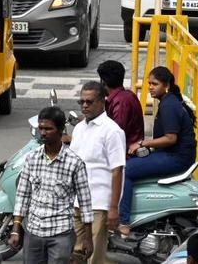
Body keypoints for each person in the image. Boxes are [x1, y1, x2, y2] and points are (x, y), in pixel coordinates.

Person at [119, 67, 197, 235]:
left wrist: (142, 143)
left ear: (166, 85)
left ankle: (123, 221)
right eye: (149, 84)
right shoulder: (170, 101)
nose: (151, 87)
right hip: (172, 154)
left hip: (176, 157)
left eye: (155, 84)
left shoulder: (169, 105)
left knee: (126, 170)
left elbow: (171, 138)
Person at [9, 106, 94, 261]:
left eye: (48, 129)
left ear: (61, 129)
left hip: (61, 235)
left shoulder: (74, 163)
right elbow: (22, 195)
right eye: (41, 128)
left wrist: (88, 238)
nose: (43, 133)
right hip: (33, 233)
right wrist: (16, 229)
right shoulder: (32, 158)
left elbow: (85, 203)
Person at [69, 81, 126, 264]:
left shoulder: (112, 131)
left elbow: (117, 170)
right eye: (82, 102)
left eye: (89, 102)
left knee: (94, 257)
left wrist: (113, 208)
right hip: (77, 202)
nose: (84, 105)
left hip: (98, 204)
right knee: (77, 254)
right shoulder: (79, 128)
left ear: (102, 102)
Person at [98, 60, 144, 153]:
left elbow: (114, 135)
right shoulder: (127, 95)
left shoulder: (120, 102)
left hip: (125, 155)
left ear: (103, 81)